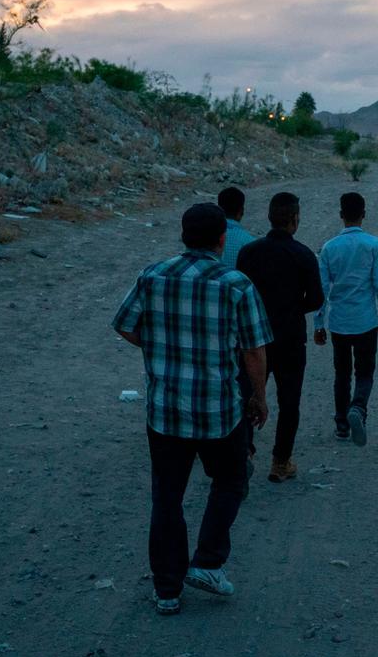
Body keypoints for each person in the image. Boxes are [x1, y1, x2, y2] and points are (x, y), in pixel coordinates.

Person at [112, 202, 272, 616]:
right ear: (222, 239)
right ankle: (207, 562)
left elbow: (125, 324)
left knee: (167, 497)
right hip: (219, 410)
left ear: (183, 235)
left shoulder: (153, 275)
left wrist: (161, 349)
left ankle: (167, 589)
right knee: (231, 480)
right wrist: (258, 396)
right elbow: (254, 350)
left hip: (165, 410)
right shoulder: (236, 284)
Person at [235, 191, 324, 483]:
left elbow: (238, 293)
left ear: (269, 217)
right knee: (289, 402)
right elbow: (316, 299)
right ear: (295, 220)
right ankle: (280, 461)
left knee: (248, 395)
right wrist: (292, 307)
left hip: (253, 338)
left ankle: (243, 452)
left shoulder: (249, 252)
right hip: (289, 338)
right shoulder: (303, 254)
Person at [315, 191, 378, 446]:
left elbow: (322, 290)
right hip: (365, 322)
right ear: (364, 214)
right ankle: (358, 408)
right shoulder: (374, 245)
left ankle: (342, 423)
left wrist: (319, 324)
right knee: (365, 371)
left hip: (339, 322)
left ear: (340, 215)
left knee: (341, 373)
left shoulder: (329, 248)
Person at [218, 185, 261, 461]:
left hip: (208, 321)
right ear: (242, 210)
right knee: (242, 379)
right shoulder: (249, 243)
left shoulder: (206, 239)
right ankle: (243, 439)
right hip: (237, 321)